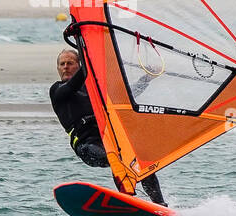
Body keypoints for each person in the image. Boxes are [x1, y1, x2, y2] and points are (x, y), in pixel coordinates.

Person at [50, 46, 166, 205]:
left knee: (138, 162)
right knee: (115, 159)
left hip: (108, 140)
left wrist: (147, 78)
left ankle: (160, 205)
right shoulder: (57, 90)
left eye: (70, 63)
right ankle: (129, 200)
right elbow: (73, 85)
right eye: (62, 64)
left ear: (78, 65)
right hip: (86, 145)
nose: (65, 67)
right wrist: (90, 61)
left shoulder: (94, 89)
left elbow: (125, 95)